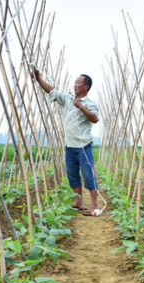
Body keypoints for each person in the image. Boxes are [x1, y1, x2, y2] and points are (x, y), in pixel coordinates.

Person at [32, 70, 100, 216]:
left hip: (83, 146)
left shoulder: (90, 103)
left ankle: (94, 204)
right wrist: (38, 79)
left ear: (86, 86)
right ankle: (78, 202)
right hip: (70, 146)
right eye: (75, 83)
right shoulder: (68, 99)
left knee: (88, 175)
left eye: (78, 83)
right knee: (72, 175)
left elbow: (94, 119)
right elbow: (51, 91)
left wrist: (80, 106)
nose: (75, 85)